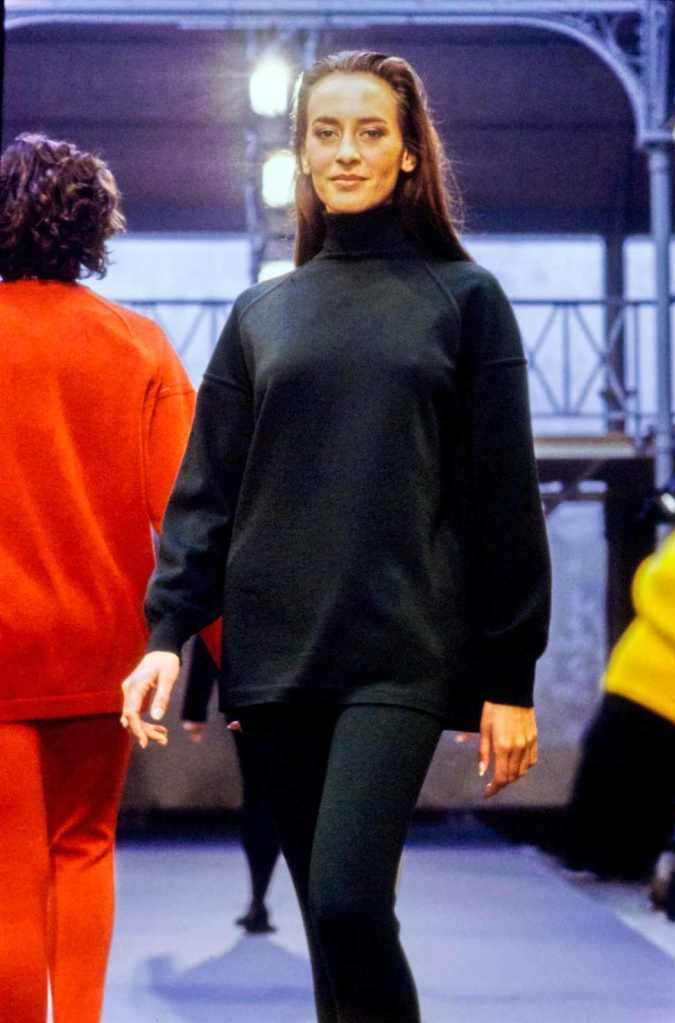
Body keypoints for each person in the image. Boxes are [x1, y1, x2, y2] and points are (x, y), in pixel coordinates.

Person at [121, 51, 551, 1023]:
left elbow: (502, 499)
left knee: (352, 901)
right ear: (302, 155)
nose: (346, 151)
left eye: (369, 132)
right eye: (326, 133)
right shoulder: (260, 313)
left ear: (409, 153)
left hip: (400, 651)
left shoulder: (464, 299)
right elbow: (205, 495)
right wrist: (165, 634)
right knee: (330, 923)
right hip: (275, 660)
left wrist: (510, 678)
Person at [0, 133, 195, 1023]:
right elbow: (190, 517)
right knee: (85, 847)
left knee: (9, 865)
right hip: (104, 650)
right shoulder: (140, 345)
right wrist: (237, 657)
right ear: (93, 229)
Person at [564, 522, 675, 887]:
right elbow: (664, 578)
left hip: (646, 691)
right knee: (600, 849)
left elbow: (660, 579)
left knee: (607, 854)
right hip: (641, 689)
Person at [182, 636, 281, 933]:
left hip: (251, 693)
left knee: (260, 795)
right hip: (309, 691)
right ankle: (264, 900)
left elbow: (213, 624)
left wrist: (195, 705)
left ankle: (258, 899)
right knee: (285, 797)